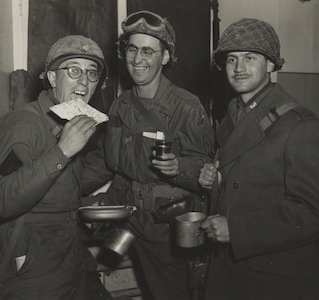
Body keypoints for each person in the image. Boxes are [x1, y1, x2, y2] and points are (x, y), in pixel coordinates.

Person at [82, 10, 215, 300]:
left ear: (165, 57)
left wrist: (178, 167)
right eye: (131, 49)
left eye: (148, 51)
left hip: (165, 230)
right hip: (128, 222)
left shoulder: (186, 107)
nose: (137, 59)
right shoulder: (121, 105)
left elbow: (207, 173)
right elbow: (108, 161)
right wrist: (65, 186)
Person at [198, 18, 319, 299]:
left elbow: (313, 212)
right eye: (231, 59)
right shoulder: (231, 119)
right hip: (232, 270)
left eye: (250, 57)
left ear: (271, 65)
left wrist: (237, 230)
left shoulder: (299, 125)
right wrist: (214, 182)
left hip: (273, 280)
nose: (239, 68)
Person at [0, 35, 112, 300]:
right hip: (34, 271)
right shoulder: (22, 124)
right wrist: (63, 150)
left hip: (71, 258)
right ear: (53, 78)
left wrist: (91, 207)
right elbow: (4, 199)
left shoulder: (69, 119)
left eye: (92, 74)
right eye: (74, 71)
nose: (84, 82)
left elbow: (56, 193)